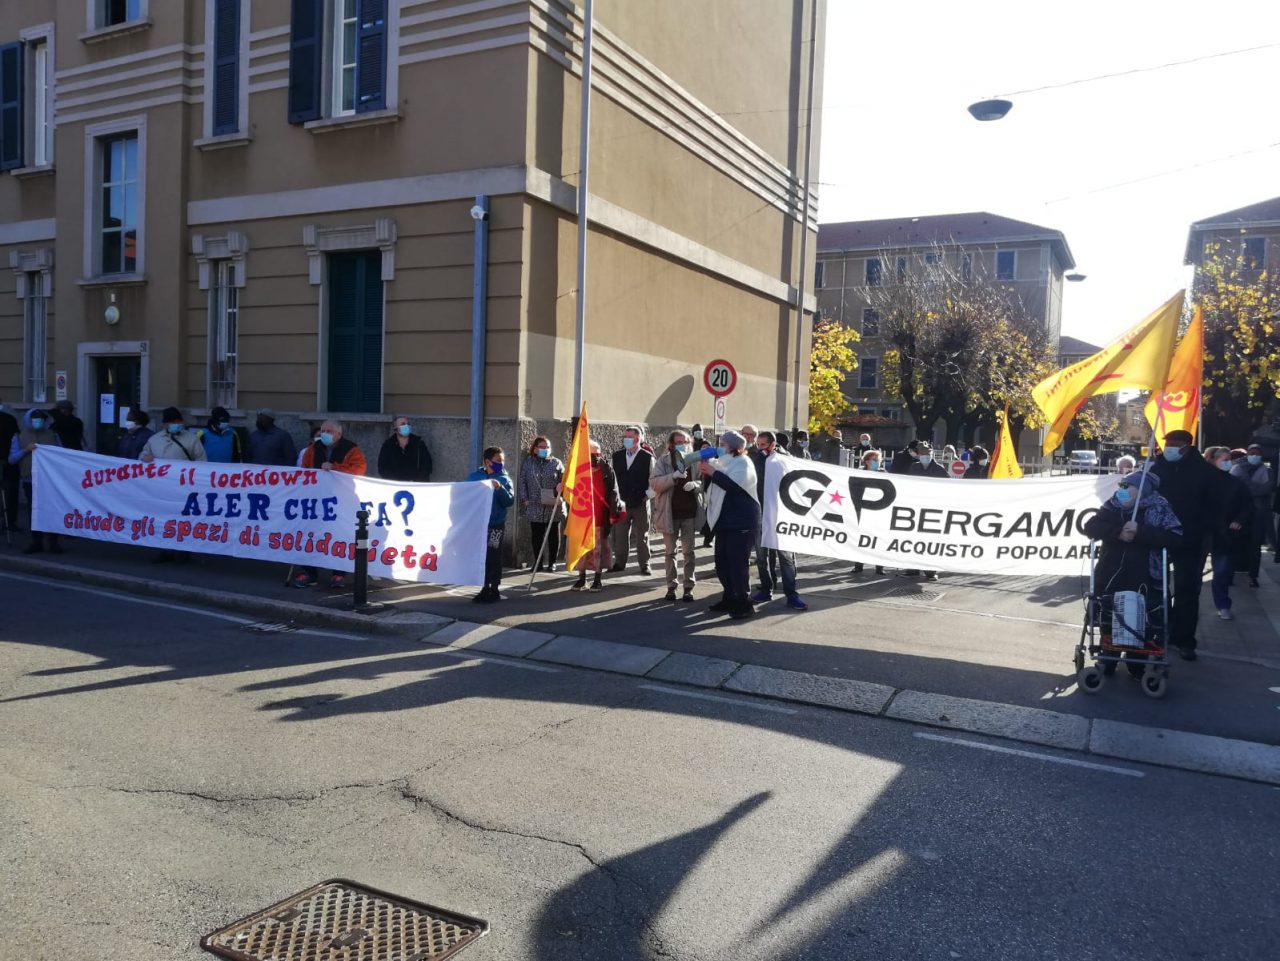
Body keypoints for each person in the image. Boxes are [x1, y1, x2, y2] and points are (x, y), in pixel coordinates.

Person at [1082, 469, 1183, 676]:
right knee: (1110, 615)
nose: (1122, 490)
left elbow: (1174, 537)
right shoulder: (1112, 507)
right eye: (1121, 485)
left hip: (1144, 574)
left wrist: (1140, 532)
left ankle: (1136, 663)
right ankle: (1107, 659)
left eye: (1128, 486)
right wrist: (1118, 532)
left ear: (1142, 490)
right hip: (1111, 572)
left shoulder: (1160, 508)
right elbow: (1091, 527)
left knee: (1141, 620)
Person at [1150, 430, 1221, 661]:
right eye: (1167, 443)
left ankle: (1185, 640)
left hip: (1191, 539)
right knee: (1154, 586)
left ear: (1187, 447)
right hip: (1159, 536)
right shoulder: (1157, 468)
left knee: (1187, 590)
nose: (1169, 447)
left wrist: (1200, 530)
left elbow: (1215, 507)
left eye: (1174, 444)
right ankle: (1160, 631)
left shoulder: (1205, 473)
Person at [295, 420, 367, 589]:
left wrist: (335, 468)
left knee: (338, 535)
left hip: (341, 500)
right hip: (316, 499)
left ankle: (338, 574)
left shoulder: (351, 449)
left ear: (338, 434)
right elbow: (305, 470)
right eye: (323, 430)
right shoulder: (313, 449)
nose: (325, 434)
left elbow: (359, 469)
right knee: (311, 534)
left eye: (329, 431)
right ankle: (309, 572)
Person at [701, 429, 760, 619]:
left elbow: (733, 486)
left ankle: (743, 603)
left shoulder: (743, 463)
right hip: (725, 522)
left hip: (741, 521)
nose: (720, 447)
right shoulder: (726, 462)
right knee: (723, 564)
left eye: (723, 444)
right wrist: (709, 472)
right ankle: (729, 597)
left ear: (733, 447)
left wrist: (713, 472)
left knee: (737, 565)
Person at [750, 431, 807, 609]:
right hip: (760, 513)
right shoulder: (755, 459)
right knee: (762, 556)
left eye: (763, 445)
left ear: (773, 444)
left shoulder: (785, 460)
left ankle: (791, 594)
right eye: (757, 444)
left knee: (785, 557)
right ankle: (766, 589)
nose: (759, 448)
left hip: (781, 514)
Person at [650, 429, 702, 601]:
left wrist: (695, 484)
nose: (682, 445)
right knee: (670, 552)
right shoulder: (663, 461)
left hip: (689, 512)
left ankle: (688, 587)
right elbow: (655, 484)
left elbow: (705, 482)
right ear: (671, 444)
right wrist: (673, 476)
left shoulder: (695, 460)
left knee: (689, 552)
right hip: (669, 513)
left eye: (685, 442)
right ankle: (671, 587)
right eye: (678, 442)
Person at [1204, 446, 1253, 620]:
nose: (1227, 462)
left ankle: (1223, 604)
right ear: (1214, 461)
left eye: (1228, 459)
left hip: (1225, 534)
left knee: (1222, 572)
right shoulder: (1204, 481)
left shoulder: (1235, 483)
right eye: (1223, 459)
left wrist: (1239, 520)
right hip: (1203, 532)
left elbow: (1247, 505)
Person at [8, 408, 63, 554]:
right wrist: (25, 450)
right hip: (30, 479)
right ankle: (37, 540)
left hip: (50, 480)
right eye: (35, 419)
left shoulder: (52, 435)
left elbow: (61, 454)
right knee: (34, 511)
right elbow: (12, 459)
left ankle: (53, 541)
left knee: (52, 510)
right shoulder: (19, 436)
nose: (38, 422)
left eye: (40, 420)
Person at [570, 441, 621, 592]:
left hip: (600, 516)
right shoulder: (578, 470)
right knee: (582, 550)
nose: (596, 457)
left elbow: (614, 492)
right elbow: (568, 488)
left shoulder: (607, 470)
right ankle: (581, 579)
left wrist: (613, 512)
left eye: (598, 454)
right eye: (593, 454)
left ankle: (597, 579)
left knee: (598, 550)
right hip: (582, 518)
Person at [467, 446, 515, 603]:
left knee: (493, 555)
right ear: (487, 462)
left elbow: (509, 501)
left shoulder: (504, 479)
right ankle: (484, 587)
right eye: (498, 460)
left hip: (495, 524)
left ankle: (494, 588)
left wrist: (499, 488)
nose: (501, 463)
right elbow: (463, 493)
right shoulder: (475, 477)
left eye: (502, 460)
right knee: (481, 556)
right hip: (479, 525)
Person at [610, 426, 654, 574]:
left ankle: (644, 564)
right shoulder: (617, 456)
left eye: (630, 437)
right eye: (625, 437)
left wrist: (647, 496)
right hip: (622, 503)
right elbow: (612, 479)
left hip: (640, 502)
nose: (627, 440)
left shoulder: (647, 457)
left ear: (638, 439)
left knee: (642, 535)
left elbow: (653, 480)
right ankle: (619, 563)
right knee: (620, 534)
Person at [518, 435, 564, 572]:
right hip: (534, 503)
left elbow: (564, 479)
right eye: (542, 447)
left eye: (547, 447)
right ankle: (538, 562)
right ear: (535, 449)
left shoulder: (556, 462)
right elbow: (523, 481)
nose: (545, 449)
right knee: (537, 535)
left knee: (553, 535)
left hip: (552, 502)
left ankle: (552, 562)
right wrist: (525, 499)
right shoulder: (528, 463)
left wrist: (561, 487)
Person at [1230, 443, 1273, 587]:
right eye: (1252, 453)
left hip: (1258, 515)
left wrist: (1245, 487)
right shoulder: (1237, 468)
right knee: (1234, 545)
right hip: (1239, 514)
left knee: (1255, 547)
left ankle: (1253, 576)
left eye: (1258, 453)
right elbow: (1233, 487)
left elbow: (1266, 489)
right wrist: (1251, 489)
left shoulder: (1267, 470)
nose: (1255, 456)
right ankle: (1230, 574)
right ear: (1247, 454)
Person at [906, 444, 948, 580]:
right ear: (919, 455)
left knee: (930, 540)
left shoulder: (939, 469)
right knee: (914, 539)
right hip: (916, 507)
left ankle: (931, 571)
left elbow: (949, 487)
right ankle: (912, 569)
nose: (925, 457)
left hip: (933, 509)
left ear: (931, 455)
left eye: (927, 455)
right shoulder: (914, 467)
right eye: (923, 455)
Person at [141, 407, 208, 463]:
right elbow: (143, 455)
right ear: (164, 424)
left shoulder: (192, 439)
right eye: (172, 422)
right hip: (160, 477)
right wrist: (144, 457)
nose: (176, 424)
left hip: (183, 477)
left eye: (178, 421)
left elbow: (201, 459)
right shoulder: (154, 440)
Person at [378, 416, 434, 482]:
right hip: (396, 486)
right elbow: (383, 468)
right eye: (403, 424)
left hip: (416, 485)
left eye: (408, 424)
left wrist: (417, 481)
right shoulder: (388, 445)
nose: (406, 426)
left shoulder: (419, 443)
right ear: (395, 428)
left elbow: (427, 465)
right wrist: (395, 482)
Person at [0, 399, 19, 532]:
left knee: (10, 492)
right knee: (10, 492)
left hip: (8, 460)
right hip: (8, 460)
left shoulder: (8, 419)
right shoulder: (9, 419)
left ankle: (9, 521)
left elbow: (15, 438)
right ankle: (9, 522)